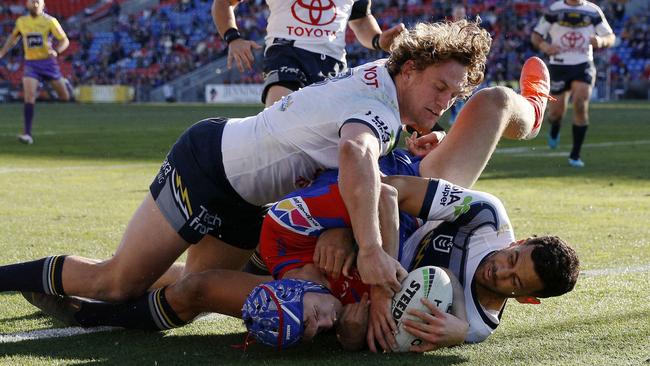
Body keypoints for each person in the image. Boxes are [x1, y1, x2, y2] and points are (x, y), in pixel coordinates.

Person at [1, 20, 508, 315]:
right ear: (412, 68)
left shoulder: (384, 81)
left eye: (454, 95)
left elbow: (363, 142)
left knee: (193, 290)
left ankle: (83, 312)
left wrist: (412, 141)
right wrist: (372, 250)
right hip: (206, 167)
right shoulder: (375, 107)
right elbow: (356, 153)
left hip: (245, 196)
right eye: (440, 88)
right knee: (116, 283)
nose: (445, 102)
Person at [212, 0, 406, 107]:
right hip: (286, 51)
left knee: (328, 137)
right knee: (280, 114)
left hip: (333, 62)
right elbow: (223, 3)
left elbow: (361, 19)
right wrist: (233, 38)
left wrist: (378, 40)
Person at [531, 0, 616, 168]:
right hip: (559, 66)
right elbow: (536, 35)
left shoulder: (593, 11)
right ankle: (555, 128)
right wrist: (544, 46)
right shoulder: (554, 10)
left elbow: (610, 36)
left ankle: (575, 155)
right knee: (555, 113)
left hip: (583, 64)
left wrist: (601, 41)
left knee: (580, 102)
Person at [0, 0, 71, 145]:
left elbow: (64, 41)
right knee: (29, 97)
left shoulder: (50, 21)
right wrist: (1, 53)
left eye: (38, 2)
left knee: (64, 97)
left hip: (48, 63)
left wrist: (57, 51)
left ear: (43, 5)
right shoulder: (21, 21)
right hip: (31, 63)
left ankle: (64, 83)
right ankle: (27, 134)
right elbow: (13, 38)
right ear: (27, 4)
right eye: (32, 2)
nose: (35, 4)